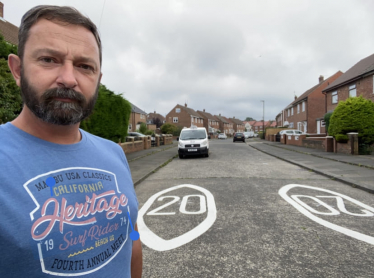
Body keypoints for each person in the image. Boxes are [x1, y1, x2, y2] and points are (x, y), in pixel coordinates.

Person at [0, 5, 142, 277]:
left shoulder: (114, 154)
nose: (68, 78)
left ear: (97, 80)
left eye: (84, 66)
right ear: (17, 70)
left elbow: (132, 240)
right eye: (49, 60)